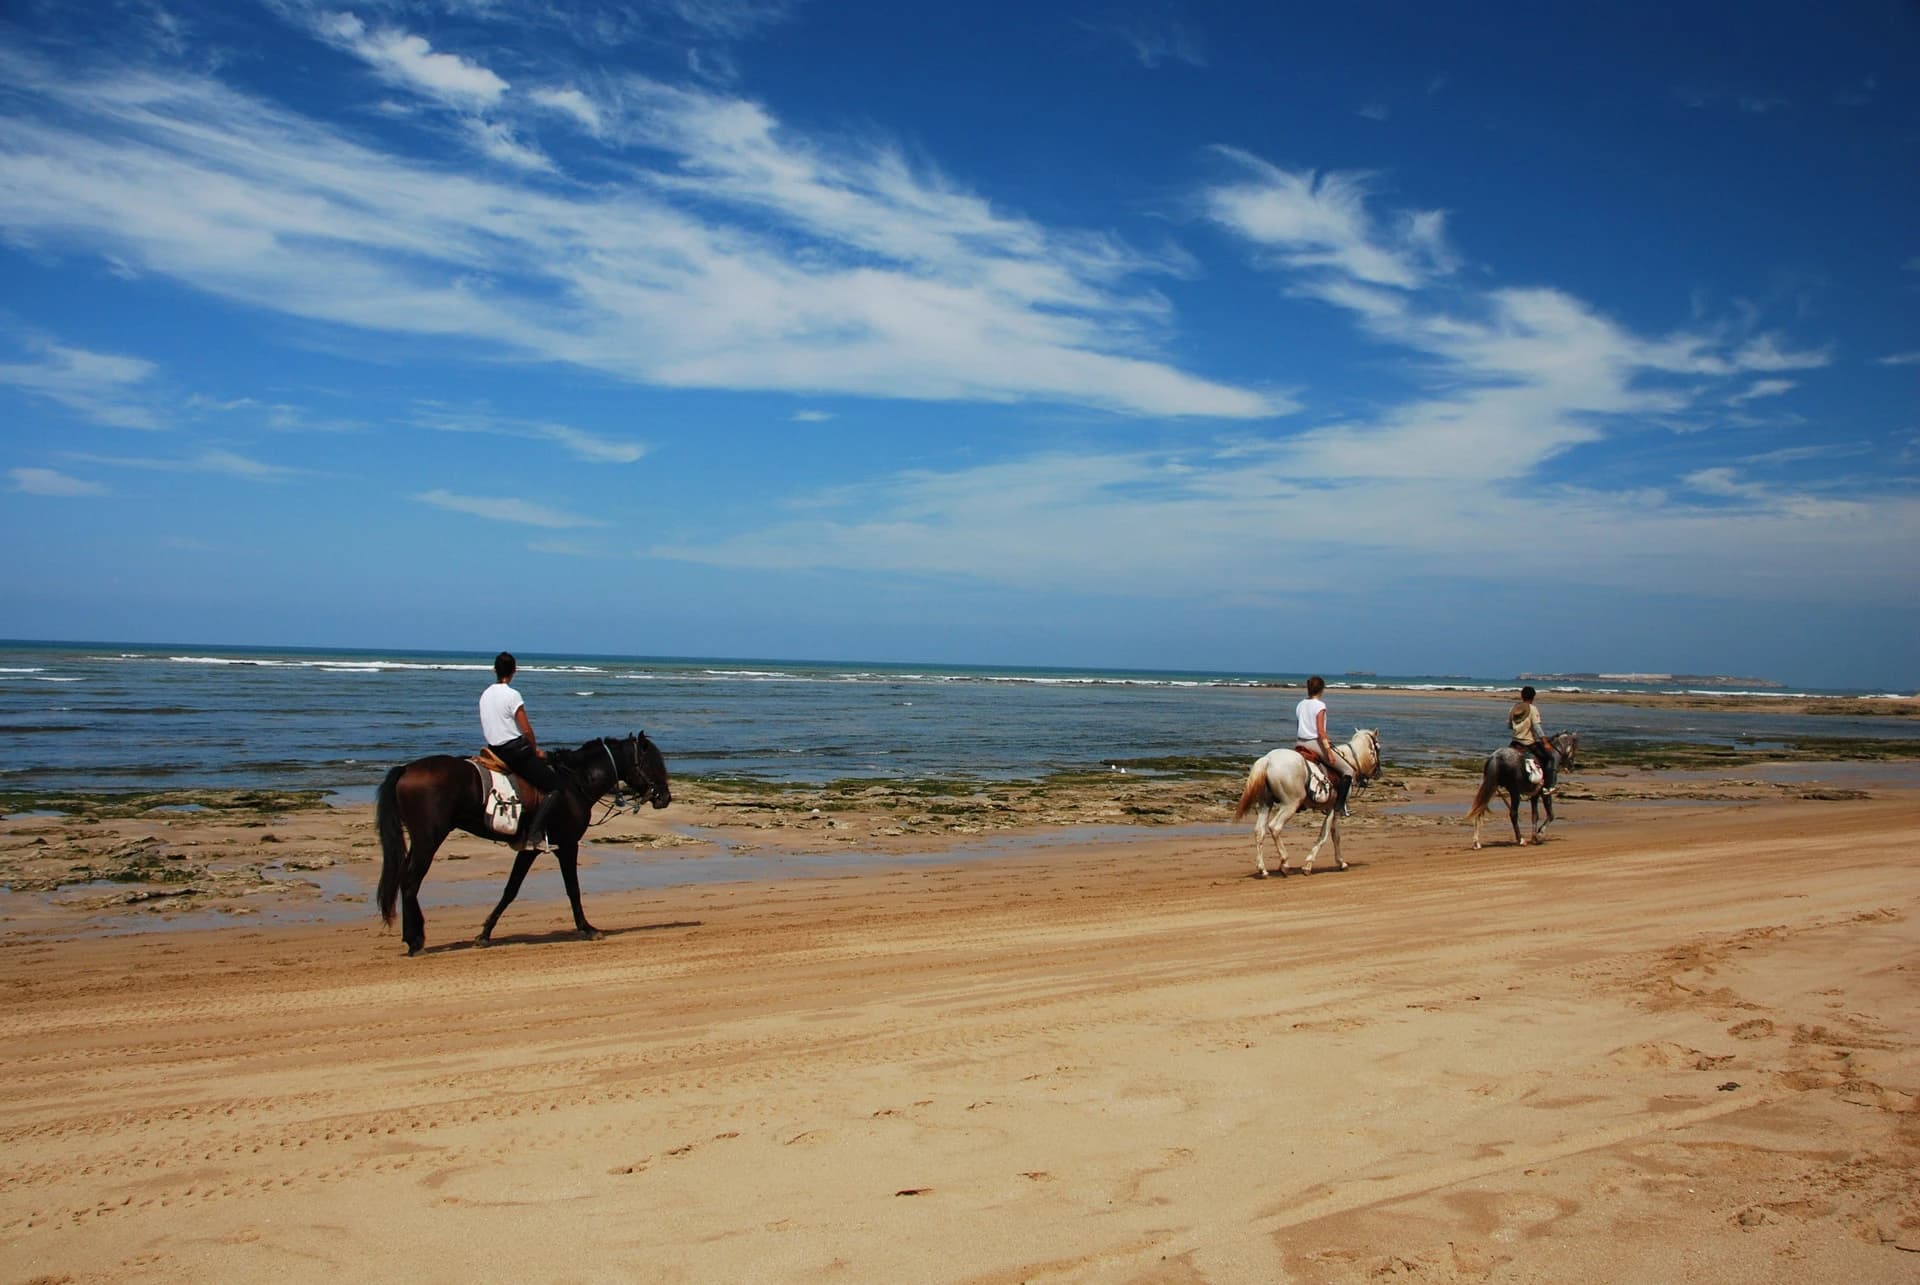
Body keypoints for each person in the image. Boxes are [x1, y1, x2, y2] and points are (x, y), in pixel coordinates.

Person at [480, 651, 564, 848]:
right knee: (555, 787)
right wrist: (534, 750)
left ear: (494, 670)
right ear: (514, 671)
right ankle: (534, 834)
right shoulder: (512, 695)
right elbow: (526, 728)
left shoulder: (485, 694)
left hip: (493, 749)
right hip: (515, 751)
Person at [1293, 675, 1354, 815]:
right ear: (1321, 689)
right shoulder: (1320, 706)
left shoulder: (1300, 704)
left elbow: (1300, 726)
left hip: (1299, 742)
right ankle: (1339, 806)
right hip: (1314, 743)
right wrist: (1329, 751)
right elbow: (1321, 732)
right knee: (1348, 771)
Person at [1508, 685, 1557, 795]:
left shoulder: (1513, 709)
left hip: (1514, 742)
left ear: (1522, 696)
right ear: (1533, 697)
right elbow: (1537, 727)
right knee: (1550, 758)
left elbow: (1509, 726)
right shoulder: (1532, 709)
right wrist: (1545, 742)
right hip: (1528, 743)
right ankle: (1548, 787)